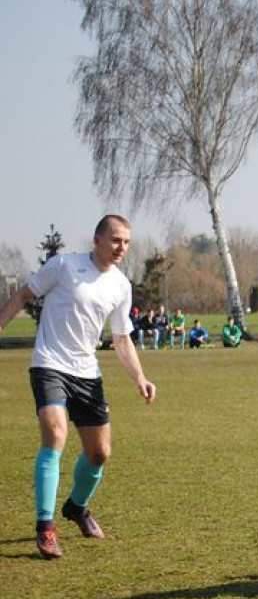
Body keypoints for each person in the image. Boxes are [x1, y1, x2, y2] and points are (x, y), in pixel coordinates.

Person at [0, 214, 157, 560]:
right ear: (97, 239)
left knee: (100, 453)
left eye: (127, 242)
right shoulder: (63, 266)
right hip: (49, 365)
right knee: (55, 436)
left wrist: (140, 378)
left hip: (87, 373)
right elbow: (26, 293)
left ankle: (77, 507)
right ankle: (45, 528)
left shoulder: (120, 285)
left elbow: (121, 339)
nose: (122, 248)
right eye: (116, 240)